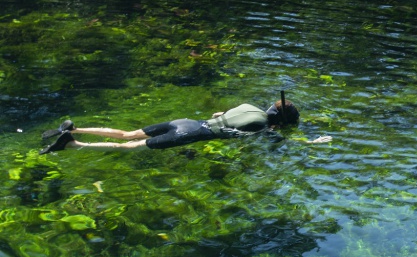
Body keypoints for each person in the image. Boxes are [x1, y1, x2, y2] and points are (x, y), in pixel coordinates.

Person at [40, 95, 330, 153]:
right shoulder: (262, 128)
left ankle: (73, 128)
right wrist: (310, 142)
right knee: (130, 147)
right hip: (190, 134)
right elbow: (254, 137)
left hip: (186, 121)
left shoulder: (248, 106)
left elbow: (220, 116)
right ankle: (74, 144)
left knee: (128, 133)